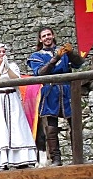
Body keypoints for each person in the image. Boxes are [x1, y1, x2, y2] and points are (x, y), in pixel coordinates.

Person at [27, 26, 84, 166]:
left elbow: (79, 64)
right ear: (40, 39)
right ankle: (56, 159)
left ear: (53, 36)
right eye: (44, 36)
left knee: (74, 124)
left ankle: (78, 158)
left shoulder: (64, 51)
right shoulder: (36, 56)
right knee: (51, 129)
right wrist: (56, 58)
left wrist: (71, 54)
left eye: (49, 35)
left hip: (67, 90)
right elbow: (40, 73)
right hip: (50, 90)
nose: (47, 37)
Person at [0, 43, 38, 171]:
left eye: (3, 52)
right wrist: (0, 70)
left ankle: (21, 159)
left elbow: (17, 79)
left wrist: (7, 68)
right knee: (0, 129)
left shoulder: (12, 67)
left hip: (12, 99)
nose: (1, 54)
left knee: (17, 127)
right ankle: (2, 160)